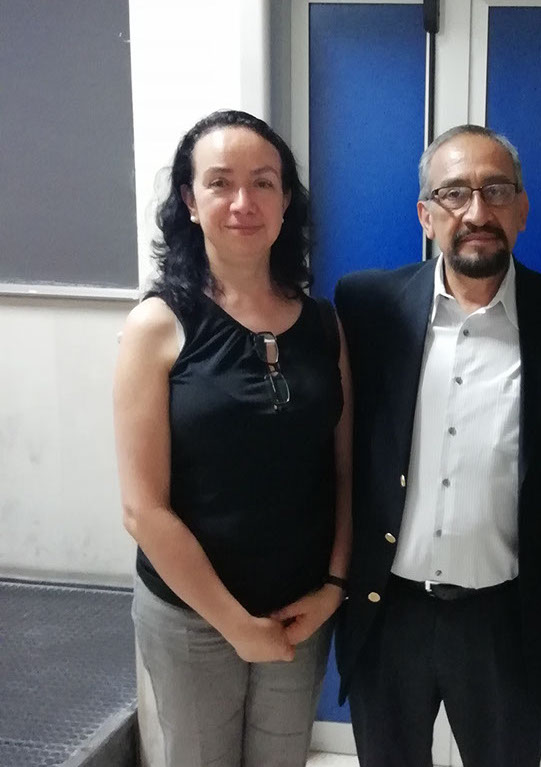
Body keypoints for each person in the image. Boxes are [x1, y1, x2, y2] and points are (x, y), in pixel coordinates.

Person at [334, 124, 541, 767]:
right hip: (388, 613)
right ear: (426, 215)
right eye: (453, 193)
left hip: (509, 622)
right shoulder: (367, 307)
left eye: (496, 191)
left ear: (523, 209)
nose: (476, 212)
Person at [113, 109, 352, 767]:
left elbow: (344, 470)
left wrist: (334, 584)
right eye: (220, 182)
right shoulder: (157, 325)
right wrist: (233, 622)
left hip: (300, 611)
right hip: (191, 617)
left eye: (263, 183)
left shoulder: (324, 325)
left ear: (285, 201)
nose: (243, 202)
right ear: (190, 201)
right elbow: (143, 509)